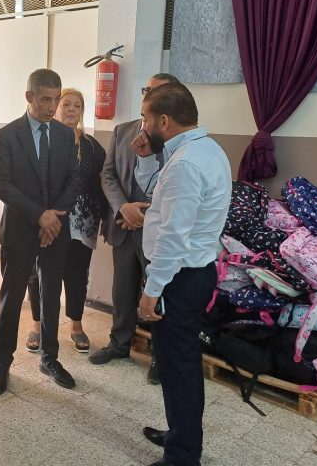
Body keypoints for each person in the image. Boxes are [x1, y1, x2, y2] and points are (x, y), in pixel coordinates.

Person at [134, 82, 231, 466]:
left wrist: (152, 290)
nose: (143, 127)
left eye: (145, 119)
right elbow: (160, 195)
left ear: (164, 120)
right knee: (179, 365)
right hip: (192, 273)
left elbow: (173, 237)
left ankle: (182, 456)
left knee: (179, 368)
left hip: (179, 278)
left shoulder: (187, 164)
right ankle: (180, 436)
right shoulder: (203, 150)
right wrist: (145, 159)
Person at [0, 68, 80, 395]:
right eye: (45, 99)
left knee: (51, 294)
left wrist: (52, 219)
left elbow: (73, 180)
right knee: (12, 296)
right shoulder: (8, 135)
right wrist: (39, 216)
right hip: (20, 229)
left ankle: (50, 358)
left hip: (55, 230)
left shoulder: (65, 135)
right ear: (29, 97)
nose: (52, 107)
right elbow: (1, 184)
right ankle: (2, 363)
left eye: (56, 99)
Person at [89, 73, 178, 385]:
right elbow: (108, 174)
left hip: (157, 230)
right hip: (122, 225)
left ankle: (160, 356)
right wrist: (123, 208)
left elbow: (173, 186)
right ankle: (119, 344)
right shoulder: (122, 130)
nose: (148, 95)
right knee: (123, 289)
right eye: (146, 90)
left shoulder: (174, 138)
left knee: (158, 294)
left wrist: (144, 214)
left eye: (157, 91)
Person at [25, 88, 106, 354]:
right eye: (66, 104)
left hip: (83, 223)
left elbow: (103, 182)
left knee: (77, 274)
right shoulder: (43, 140)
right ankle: (37, 325)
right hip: (49, 220)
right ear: (55, 107)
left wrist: (105, 217)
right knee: (39, 273)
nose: (71, 109)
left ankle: (76, 326)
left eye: (77, 106)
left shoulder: (92, 147)